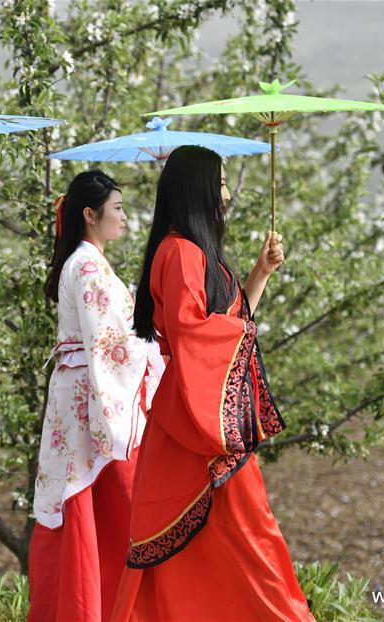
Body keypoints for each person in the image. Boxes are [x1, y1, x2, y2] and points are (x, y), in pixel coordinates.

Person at [111, 146, 314, 621]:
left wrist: (260, 274)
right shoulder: (180, 251)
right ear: (199, 189)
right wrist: (241, 329)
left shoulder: (192, 250)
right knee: (249, 538)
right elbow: (192, 334)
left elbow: (224, 321)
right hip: (196, 428)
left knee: (231, 543)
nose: (225, 195)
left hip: (191, 416)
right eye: (220, 184)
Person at [28, 171, 164, 622]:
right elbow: (109, 344)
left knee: (103, 504)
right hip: (94, 399)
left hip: (89, 394)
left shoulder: (90, 263)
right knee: (108, 500)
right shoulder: (85, 265)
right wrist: (151, 340)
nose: (125, 216)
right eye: (118, 208)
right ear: (91, 214)